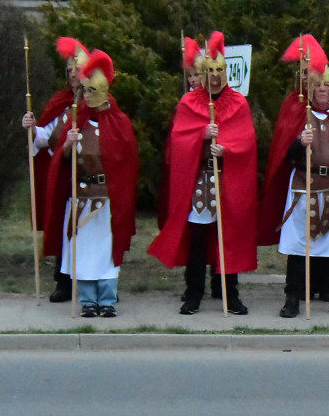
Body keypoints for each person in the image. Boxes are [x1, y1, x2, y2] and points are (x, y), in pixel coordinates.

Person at [148, 32, 258, 315]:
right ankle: (193, 293)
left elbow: (246, 141)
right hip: (200, 181)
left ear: (226, 71)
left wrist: (227, 150)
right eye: (210, 71)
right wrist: (201, 135)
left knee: (228, 238)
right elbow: (178, 141)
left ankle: (228, 293)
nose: (216, 76)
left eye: (220, 71)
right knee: (197, 240)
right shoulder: (189, 103)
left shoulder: (238, 103)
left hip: (227, 180)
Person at [258, 35, 329, 319]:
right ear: (309, 86)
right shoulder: (296, 108)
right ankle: (292, 297)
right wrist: (298, 142)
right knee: (298, 245)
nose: (322, 89)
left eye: (327, 85)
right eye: (317, 85)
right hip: (303, 186)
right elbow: (282, 151)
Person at [42, 50, 139, 318]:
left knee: (106, 252)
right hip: (81, 198)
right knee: (83, 252)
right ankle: (87, 300)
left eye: (90, 91)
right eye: (84, 91)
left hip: (107, 200)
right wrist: (68, 145)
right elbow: (57, 154)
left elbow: (126, 162)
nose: (85, 96)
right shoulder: (75, 119)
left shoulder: (119, 122)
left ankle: (107, 299)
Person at [21, 37, 89, 303]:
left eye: (77, 70)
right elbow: (44, 138)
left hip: (91, 178)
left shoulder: (98, 103)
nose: (73, 76)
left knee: (91, 230)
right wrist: (32, 126)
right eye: (69, 71)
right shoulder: (61, 102)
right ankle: (64, 281)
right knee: (65, 227)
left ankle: (95, 284)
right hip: (63, 175)